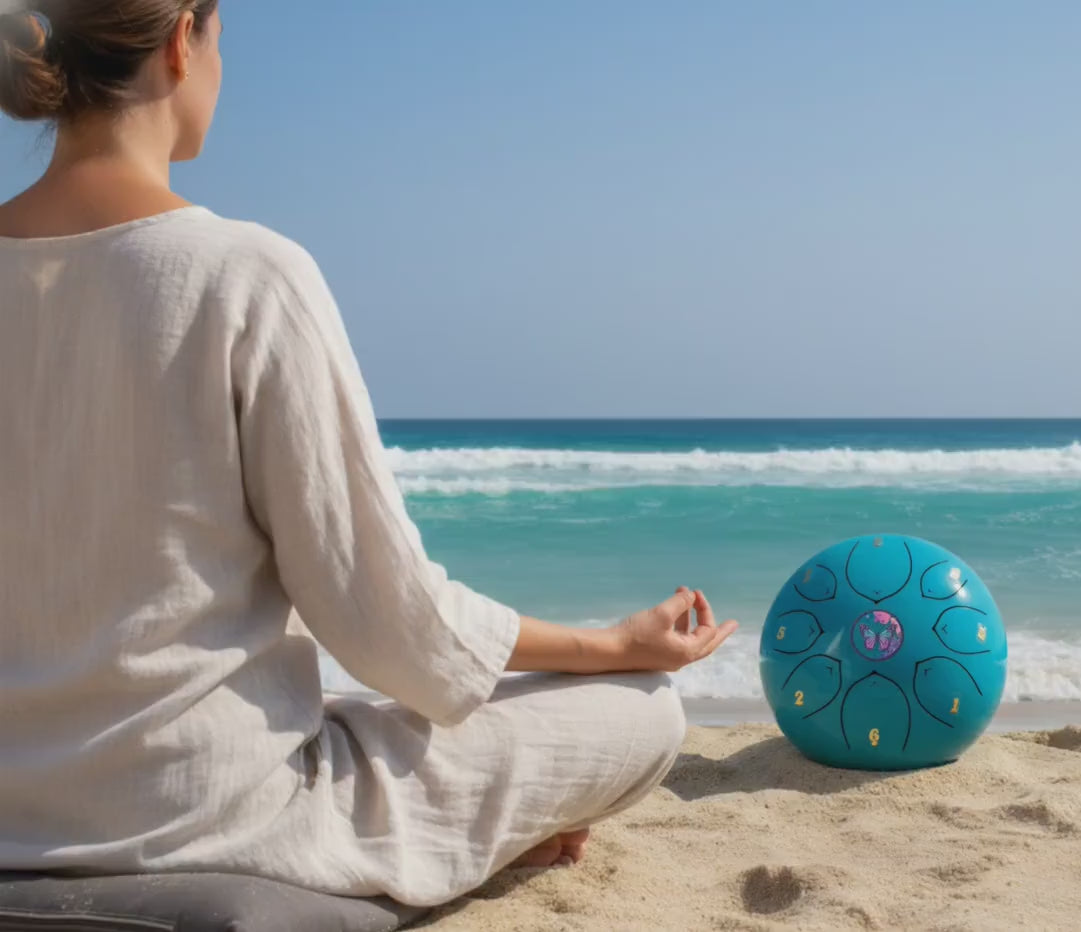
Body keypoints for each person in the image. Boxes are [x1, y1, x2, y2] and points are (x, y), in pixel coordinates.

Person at [0, 1, 737, 908]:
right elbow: (393, 629)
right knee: (642, 712)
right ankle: (480, 842)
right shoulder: (243, 276)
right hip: (217, 817)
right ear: (184, 42)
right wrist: (611, 643)